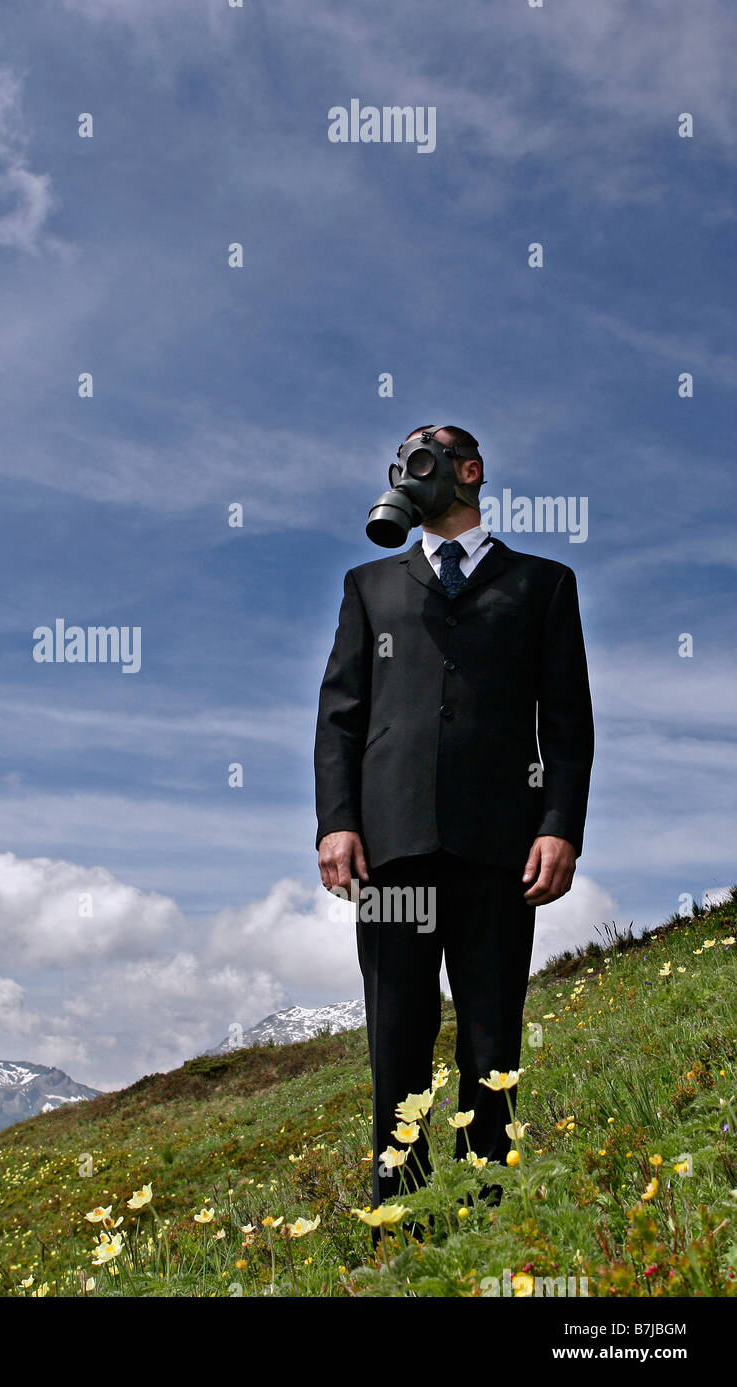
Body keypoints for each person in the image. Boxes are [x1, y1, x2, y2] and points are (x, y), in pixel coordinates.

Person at [313, 425, 594, 1231]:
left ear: (469, 471)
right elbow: (340, 716)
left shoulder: (542, 584)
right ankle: (402, 1222)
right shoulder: (369, 585)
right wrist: (338, 823)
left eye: (426, 457)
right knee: (397, 1035)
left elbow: (567, 722)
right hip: (391, 852)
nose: (411, 471)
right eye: (401, 460)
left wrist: (559, 824)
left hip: (501, 851)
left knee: (491, 1036)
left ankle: (489, 1213)